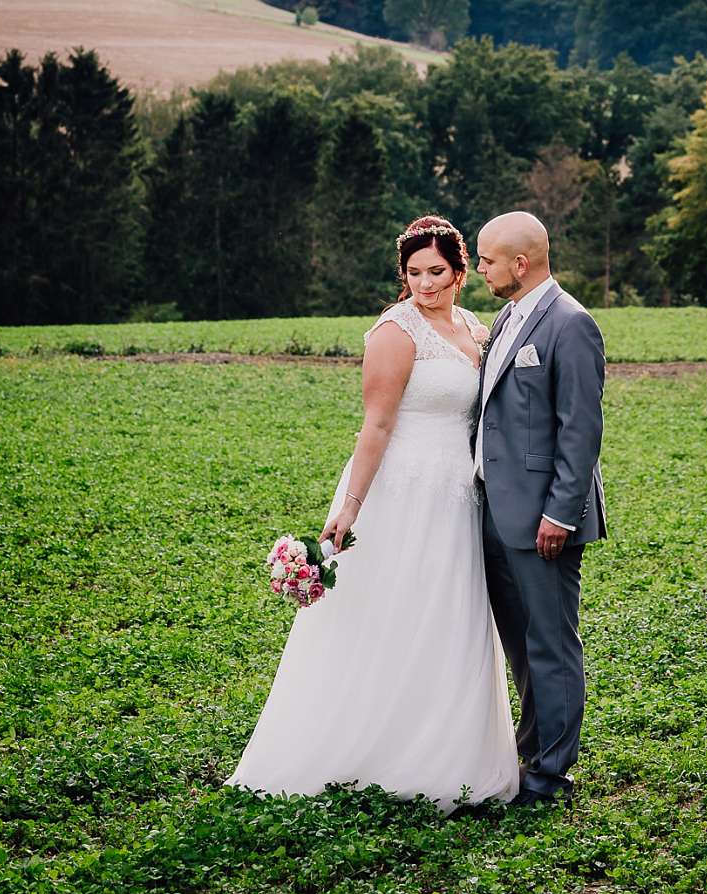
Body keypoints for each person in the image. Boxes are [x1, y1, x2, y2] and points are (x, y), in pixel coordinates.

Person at [228, 217, 518, 809]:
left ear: (461, 271)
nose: (425, 285)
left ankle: (445, 755)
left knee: (448, 617)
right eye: (413, 274)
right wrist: (349, 508)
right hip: (401, 492)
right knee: (388, 615)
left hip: (460, 496)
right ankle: (362, 751)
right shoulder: (395, 331)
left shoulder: (477, 330)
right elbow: (377, 424)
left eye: (436, 272)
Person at [473, 212, 607, 808]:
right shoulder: (507, 317)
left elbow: (579, 431)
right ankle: (530, 754)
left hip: (544, 520)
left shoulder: (571, 324)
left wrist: (561, 513)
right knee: (520, 645)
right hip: (496, 513)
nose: (478, 269)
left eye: (486, 260)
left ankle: (552, 773)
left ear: (519, 264)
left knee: (551, 643)